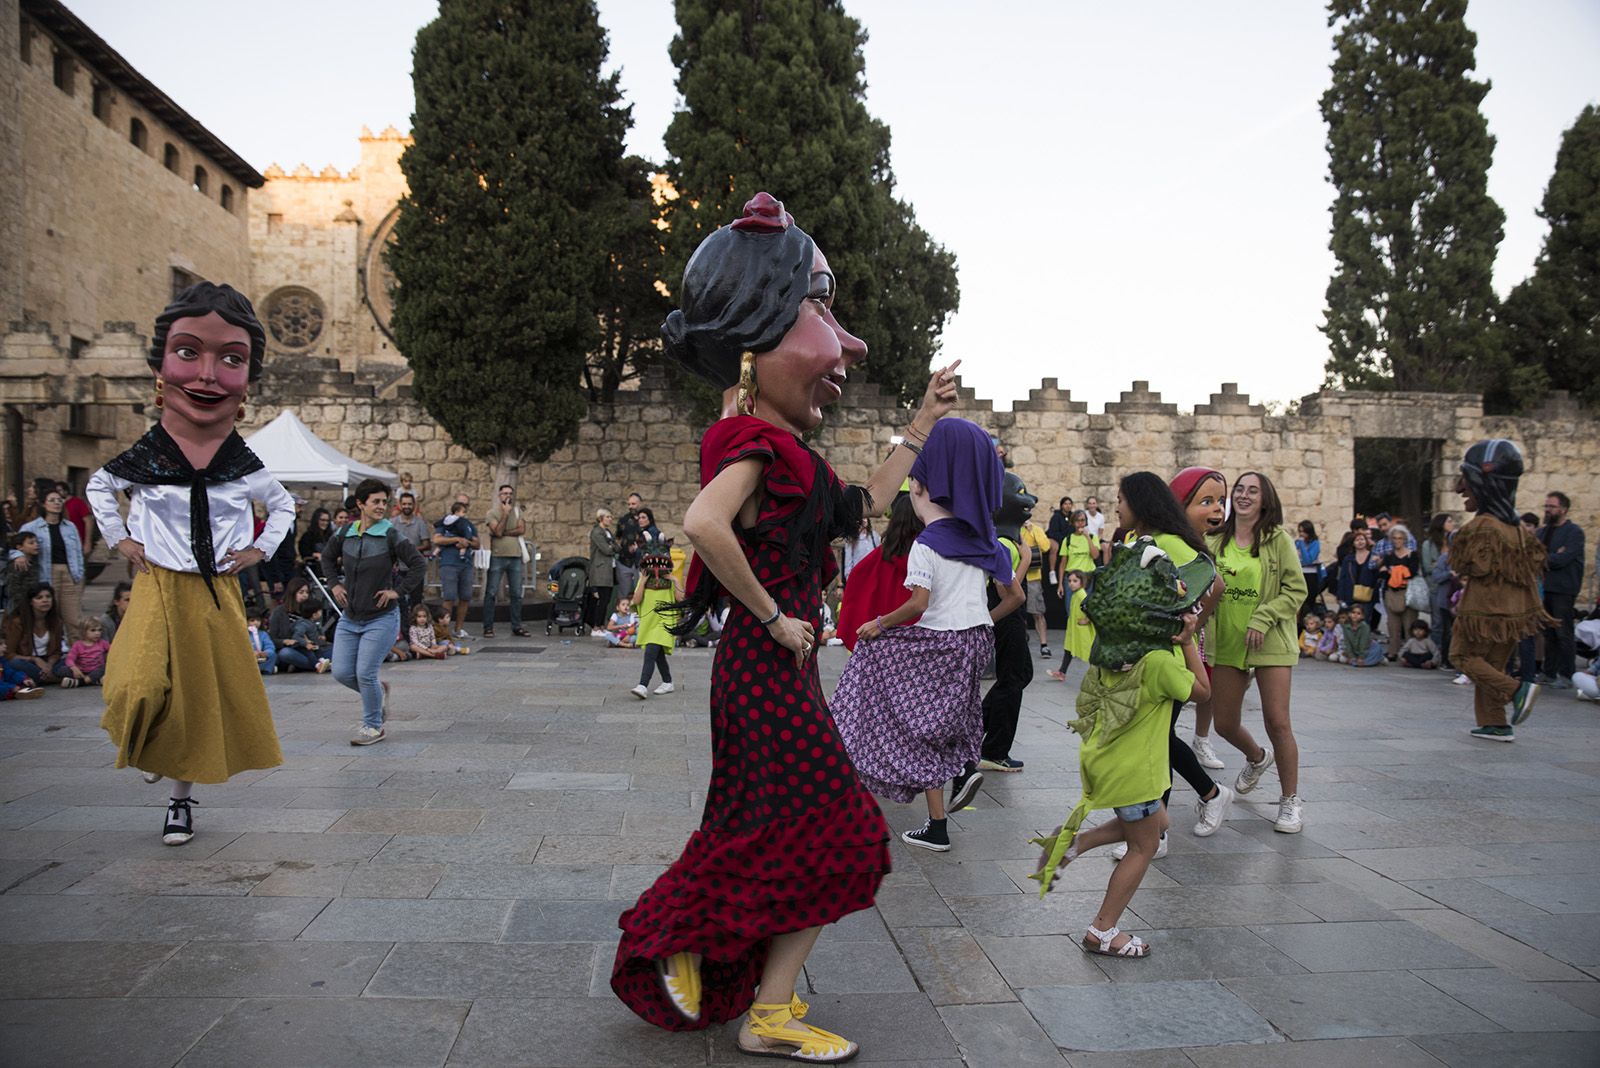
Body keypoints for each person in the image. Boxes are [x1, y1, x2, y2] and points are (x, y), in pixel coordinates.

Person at [611, 192, 958, 1061]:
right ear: (757, 334)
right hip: (765, 667)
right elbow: (701, 524)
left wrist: (920, 423)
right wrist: (773, 619)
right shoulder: (749, 443)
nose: (845, 343)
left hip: (776, 669)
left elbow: (858, 508)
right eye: (819, 308)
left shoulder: (789, 449)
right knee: (839, 824)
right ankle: (751, 996)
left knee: (756, 825)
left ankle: (719, 966)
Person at [87, 281, 293, 846]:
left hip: (212, 589)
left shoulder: (243, 464)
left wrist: (257, 550)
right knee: (135, 684)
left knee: (197, 703)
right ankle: (150, 741)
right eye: (187, 352)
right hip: (157, 584)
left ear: (247, 380)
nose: (206, 374)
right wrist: (121, 540)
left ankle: (179, 804)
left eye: (230, 360)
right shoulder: (147, 456)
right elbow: (100, 486)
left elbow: (283, 506)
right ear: (160, 367)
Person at [832, 419, 1021, 852]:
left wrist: (878, 623)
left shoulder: (928, 542)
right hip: (974, 642)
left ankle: (851, 751)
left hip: (937, 642)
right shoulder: (985, 541)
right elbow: (1014, 595)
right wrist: (983, 620)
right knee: (938, 724)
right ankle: (946, 806)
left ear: (919, 489)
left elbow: (918, 604)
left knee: (873, 663)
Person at [1030, 536, 1213, 960]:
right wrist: (1187, 641)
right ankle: (1102, 930)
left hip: (1108, 764)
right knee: (1144, 846)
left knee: (1158, 819)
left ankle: (1074, 844)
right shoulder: (1160, 663)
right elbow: (1203, 692)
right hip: (1137, 773)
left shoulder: (1115, 655)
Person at [1108, 472, 1232, 847]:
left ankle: (1160, 828)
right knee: (1158, 738)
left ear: (1140, 504)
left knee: (1156, 739)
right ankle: (1202, 799)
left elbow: (1215, 581)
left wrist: (1188, 627)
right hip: (1147, 660)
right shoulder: (1142, 541)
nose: (1116, 506)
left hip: (1167, 662)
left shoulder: (1167, 543)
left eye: (1121, 499)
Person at [1206, 471, 1307, 833]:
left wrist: (1263, 618)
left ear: (1266, 500)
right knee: (1224, 724)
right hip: (1228, 642)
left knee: (1278, 722)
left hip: (1270, 642)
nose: (1244, 496)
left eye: (1253, 491)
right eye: (1240, 490)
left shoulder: (1277, 539)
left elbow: (1296, 590)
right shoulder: (1215, 540)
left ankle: (1290, 802)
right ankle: (1256, 757)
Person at [1449, 440, 1551, 742]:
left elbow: (1471, 567)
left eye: (1466, 481)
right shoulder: (1518, 527)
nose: (1460, 489)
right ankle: (1496, 722)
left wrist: (1458, 542)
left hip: (1484, 608)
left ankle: (1517, 690)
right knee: (1492, 663)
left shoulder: (1482, 525)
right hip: (1514, 610)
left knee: (1463, 656)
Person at [324, 479, 426, 746]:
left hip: (382, 617)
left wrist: (397, 591)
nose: (382, 506)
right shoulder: (345, 532)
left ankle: (373, 726)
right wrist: (334, 584)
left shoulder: (390, 534)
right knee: (342, 673)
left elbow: (418, 564)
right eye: (376, 502)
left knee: (365, 673)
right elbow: (326, 558)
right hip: (350, 617)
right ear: (361, 504)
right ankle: (378, 693)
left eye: (384, 501)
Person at [978, 471, 1038, 774]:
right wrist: (1026, 558)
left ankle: (977, 726)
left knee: (1020, 675)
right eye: (1022, 493)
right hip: (1007, 619)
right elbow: (1008, 591)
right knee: (1012, 679)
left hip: (1012, 620)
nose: (1031, 500)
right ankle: (994, 749)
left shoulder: (1006, 541)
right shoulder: (1004, 543)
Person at [1170, 467, 1230, 772]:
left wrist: (1193, 626)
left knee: (1163, 731)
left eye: (1220, 500)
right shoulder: (1191, 546)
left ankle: (1209, 793)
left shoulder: (1193, 550)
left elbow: (1217, 586)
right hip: (1184, 644)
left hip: (1180, 648)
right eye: (1206, 501)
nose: (1218, 507)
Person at [837, 492, 924, 651]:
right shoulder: (927, 553)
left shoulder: (881, 554)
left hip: (884, 640)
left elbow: (856, 576)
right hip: (921, 637)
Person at [21, 487, 86, 631]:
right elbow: (17, 546)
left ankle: (77, 650)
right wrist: (18, 557)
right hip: (47, 572)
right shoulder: (32, 527)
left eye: (59, 500)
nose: (57, 503)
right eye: (52, 500)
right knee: (49, 615)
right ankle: (53, 649)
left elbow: (78, 552)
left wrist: (80, 574)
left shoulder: (70, 527)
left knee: (74, 618)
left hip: (70, 572)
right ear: (44, 504)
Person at [1538, 492, 1585, 689]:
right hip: (1544, 587)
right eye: (1546, 506)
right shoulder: (1542, 533)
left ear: (1563, 509)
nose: (1548, 510)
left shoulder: (1574, 532)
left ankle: (1567, 674)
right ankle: (1549, 672)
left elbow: (1563, 560)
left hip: (1563, 589)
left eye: (1552, 506)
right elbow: (1532, 555)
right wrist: (1551, 556)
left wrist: (1546, 558)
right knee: (1548, 632)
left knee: (1563, 632)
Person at [628, 538, 681, 698]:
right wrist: (643, 581)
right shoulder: (643, 581)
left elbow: (681, 599)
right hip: (648, 622)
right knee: (657, 654)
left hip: (664, 622)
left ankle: (643, 685)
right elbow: (636, 601)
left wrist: (676, 580)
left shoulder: (670, 582)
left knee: (650, 652)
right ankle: (668, 682)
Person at [482, 484, 530, 639]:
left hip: (515, 556)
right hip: (498, 556)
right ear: (499, 495)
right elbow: (497, 531)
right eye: (504, 493)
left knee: (516, 593)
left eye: (510, 493)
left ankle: (517, 626)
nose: (507, 496)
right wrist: (505, 515)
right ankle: (488, 627)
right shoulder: (492, 513)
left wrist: (504, 533)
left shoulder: (517, 511)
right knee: (491, 592)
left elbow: (521, 530)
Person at [3, 584, 68, 684]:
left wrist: (49, 665)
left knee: (71, 659)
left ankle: (45, 678)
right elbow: (9, 654)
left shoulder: (56, 622)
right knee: (15, 664)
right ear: (31, 602)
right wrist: (34, 659)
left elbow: (57, 652)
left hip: (48, 662)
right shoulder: (17, 622)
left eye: (48, 597)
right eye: (39, 598)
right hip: (27, 662)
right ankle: (54, 679)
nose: (45, 600)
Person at [433, 501, 477, 639]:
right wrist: (456, 539)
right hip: (449, 563)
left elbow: (477, 543)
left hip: (466, 565)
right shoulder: (445, 523)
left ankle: (459, 629)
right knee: (449, 596)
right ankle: (443, 630)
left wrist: (467, 542)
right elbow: (437, 539)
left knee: (465, 596)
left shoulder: (468, 525)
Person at [268, 578, 330, 673]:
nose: (305, 595)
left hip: (314, 648)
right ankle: (319, 665)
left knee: (336, 650)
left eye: (307, 592)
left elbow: (316, 631)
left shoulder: (311, 609)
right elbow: (272, 638)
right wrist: (285, 641)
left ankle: (317, 664)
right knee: (285, 654)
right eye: (301, 592)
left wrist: (320, 637)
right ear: (293, 593)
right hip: (295, 649)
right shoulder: (279, 612)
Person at [1379, 525, 1421, 660]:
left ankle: (1410, 653)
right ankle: (1393, 651)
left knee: (1409, 624)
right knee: (1393, 625)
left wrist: (1393, 571)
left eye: (1400, 538)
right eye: (1395, 538)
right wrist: (1399, 570)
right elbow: (1381, 573)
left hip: (1407, 592)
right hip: (1391, 592)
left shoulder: (1412, 555)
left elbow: (1412, 572)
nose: (1397, 541)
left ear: (1405, 539)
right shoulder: (1389, 556)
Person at [1047, 569, 1091, 680]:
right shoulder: (1075, 595)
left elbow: (1091, 609)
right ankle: (1062, 672)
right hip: (1074, 629)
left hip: (1082, 631)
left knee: (1088, 652)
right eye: (1070, 581)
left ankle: (1099, 677)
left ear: (1082, 582)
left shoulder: (1082, 595)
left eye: (1075, 581)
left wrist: (1086, 620)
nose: (1071, 583)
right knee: (1069, 649)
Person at [1020, 513, 1052, 657]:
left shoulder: (1036, 529)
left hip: (1033, 577)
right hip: (1019, 577)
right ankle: (1022, 640)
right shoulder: (1015, 529)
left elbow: (1046, 547)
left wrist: (1031, 530)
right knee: (1019, 614)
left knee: (1038, 613)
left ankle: (1044, 645)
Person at [1336, 529, 1382, 628]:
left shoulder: (1373, 557)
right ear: (1353, 543)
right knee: (1349, 621)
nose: (1360, 542)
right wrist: (1340, 596)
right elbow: (1343, 578)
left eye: (1362, 539)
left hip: (1367, 594)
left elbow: (1378, 576)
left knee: (1364, 622)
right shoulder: (1348, 559)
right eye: (1357, 540)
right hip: (1350, 593)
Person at [59, 617, 110, 688]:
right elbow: (70, 659)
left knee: (105, 668)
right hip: (81, 671)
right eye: (93, 630)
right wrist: (74, 668)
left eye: (99, 630)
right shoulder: (78, 645)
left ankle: (80, 682)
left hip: (96, 670)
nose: (97, 633)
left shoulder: (102, 643)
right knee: (62, 670)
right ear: (84, 631)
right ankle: (95, 681)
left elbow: (113, 650)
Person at [587, 509, 617, 628]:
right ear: (601, 518)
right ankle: (596, 625)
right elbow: (607, 549)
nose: (610, 519)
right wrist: (613, 546)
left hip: (610, 568)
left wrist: (613, 546)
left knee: (607, 599)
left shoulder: (608, 532)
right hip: (601, 569)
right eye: (608, 517)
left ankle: (601, 625)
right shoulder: (597, 532)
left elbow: (615, 546)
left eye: (611, 517)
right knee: (601, 599)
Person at [1294, 521, 1324, 630]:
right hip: (1299, 574)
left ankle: (1308, 627)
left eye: (1304, 531)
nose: (1301, 534)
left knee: (1308, 603)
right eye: (1300, 531)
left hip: (1311, 576)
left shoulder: (1315, 543)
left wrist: (1301, 544)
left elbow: (1308, 560)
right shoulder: (1297, 542)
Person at [839, 514, 879, 586]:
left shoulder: (874, 536)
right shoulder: (851, 539)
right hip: (859, 579)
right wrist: (850, 582)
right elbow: (848, 564)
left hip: (874, 578)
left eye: (865, 518)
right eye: (861, 518)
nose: (864, 520)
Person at [6, 531, 40, 613]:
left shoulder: (33, 562)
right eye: (31, 543)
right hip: (20, 604)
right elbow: (13, 587)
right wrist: (22, 602)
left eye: (36, 542)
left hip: (32, 602)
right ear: (20, 547)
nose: (36, 545)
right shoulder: (17, 564)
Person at [298, 508, 334, 573]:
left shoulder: (330, 536)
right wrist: (315, 554)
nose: (325, 523)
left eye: (327, 521)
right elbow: (304, 551)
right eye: (322, 520)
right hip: (314, 569)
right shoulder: (308, 536)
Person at [247, 609, 277, 675]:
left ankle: (264, 670)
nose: (256, 622)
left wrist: (266, 653)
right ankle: (264, 669)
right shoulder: (243, 634)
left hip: (261, 658)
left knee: (273, 655)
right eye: (252, 620)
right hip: (249, 658)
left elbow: (270, 646)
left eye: (258, 620)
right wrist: (252, 653)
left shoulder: (263, 634)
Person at [101, 581, 132, 645]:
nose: (131, 603)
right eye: (127, 600)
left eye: (133, 599)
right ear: (116, 602)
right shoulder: (105, 622)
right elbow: (103, 649)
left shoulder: (138, 619)